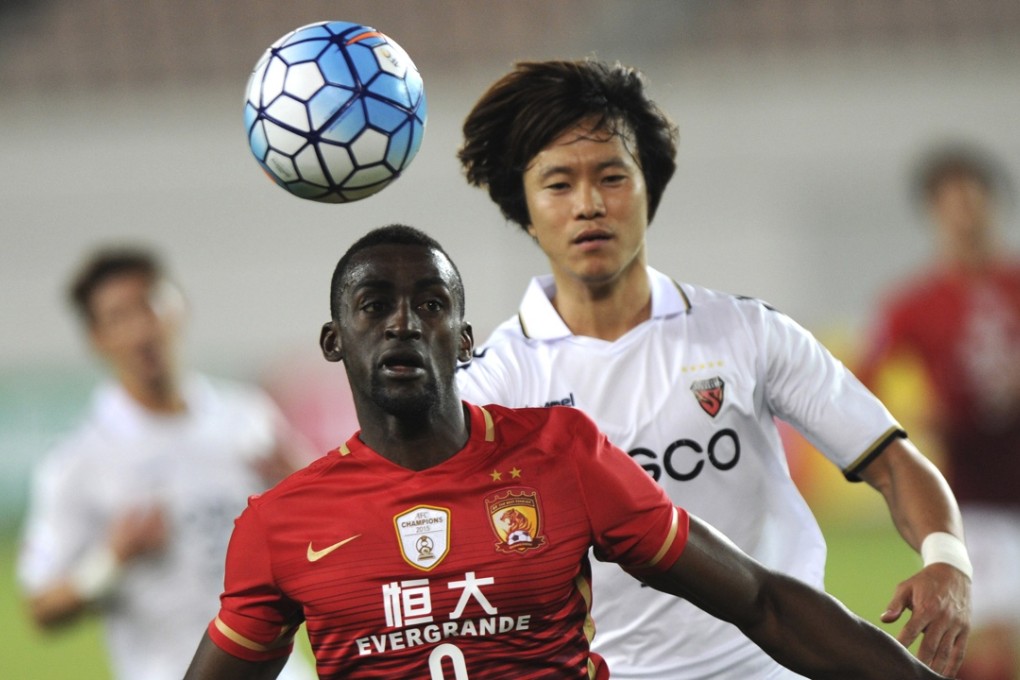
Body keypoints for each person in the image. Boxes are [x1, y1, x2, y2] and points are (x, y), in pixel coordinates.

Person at [184, 223, 952, 679]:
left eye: (431, 306)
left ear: (466, 338)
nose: (404, 325)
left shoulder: (560, 455)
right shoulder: (281, 525)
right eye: (374, 306)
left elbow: (759, 599)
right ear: (334, 340)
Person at [454, 59, 972, 679]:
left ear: (650, 186)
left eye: (612, 176)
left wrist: (947, 559)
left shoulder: (746, 333)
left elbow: (891, 461)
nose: (589, 204)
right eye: (559, 184)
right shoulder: (493, 385)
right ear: (525, 205)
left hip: (781, 664)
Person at [16, 247, 317, 680]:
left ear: (179, 306)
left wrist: (303, 482)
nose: (142, 329)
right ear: (96, 338)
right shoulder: (79, 461)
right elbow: (42, 606)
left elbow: (325, 541)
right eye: (118, 317)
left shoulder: (247, 418)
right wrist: (111, 561)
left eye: (150, 304)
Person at [858, 144, 1020, 680]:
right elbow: (862, 384)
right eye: (951, 202)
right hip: (977, 496)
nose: (964, 212)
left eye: (973, 199)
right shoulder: (913, 302)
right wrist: (915, 422)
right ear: (933, 211)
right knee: (992, 648)